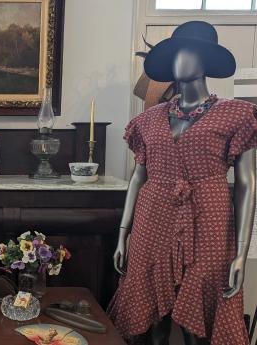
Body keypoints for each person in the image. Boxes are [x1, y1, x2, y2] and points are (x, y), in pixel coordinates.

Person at [108, 21, 255, 345]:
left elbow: (246, 183)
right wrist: (123, 233)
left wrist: (241, 253)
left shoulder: (237, 115)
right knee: (152, 318)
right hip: (153, 215)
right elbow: (138, 176)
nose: (178, 60)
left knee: (197, 316)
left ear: (205, 60)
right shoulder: (147, 119)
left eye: (186, 52)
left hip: (209, 218)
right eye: (174, 54)